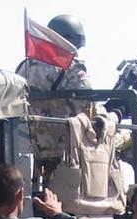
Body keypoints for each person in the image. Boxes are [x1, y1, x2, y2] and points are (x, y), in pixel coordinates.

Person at [16, 14, 92, 177]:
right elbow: (88, 105)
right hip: (65, 149)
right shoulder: (72, 69)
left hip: (31, 147)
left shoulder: (25, 67)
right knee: (136, 144)